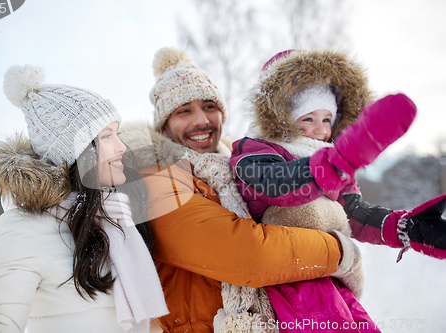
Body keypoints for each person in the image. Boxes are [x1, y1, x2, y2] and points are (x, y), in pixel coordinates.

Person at [115, 46, 386, 333]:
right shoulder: (154, 179)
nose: (201, 120)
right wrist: (340, 251)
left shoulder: (237, 170)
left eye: (209, 107)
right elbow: (249, 255)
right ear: (165, 127)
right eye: (184, 111)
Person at [0, 64, 168, 333]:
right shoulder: (25, 228)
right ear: (76, 151)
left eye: (117, 133)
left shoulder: (117, 216)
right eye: (107, 136)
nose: (121, 146)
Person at [229, 49, 414, 331]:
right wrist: (337, 162)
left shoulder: (330, 159)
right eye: (308, 119)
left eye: (327, 119)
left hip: (332, 273)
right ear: (281, 117)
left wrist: (400, 226)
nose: (319, 130)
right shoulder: (257, 151)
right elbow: (274, 184)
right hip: (287, 277)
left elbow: (353, 212)